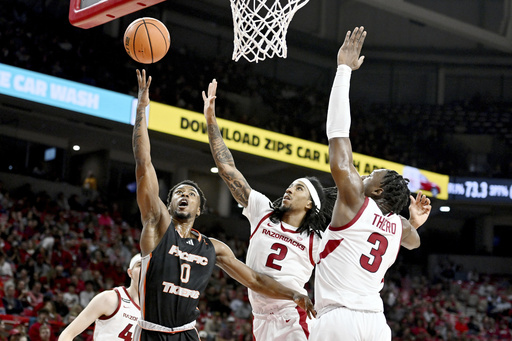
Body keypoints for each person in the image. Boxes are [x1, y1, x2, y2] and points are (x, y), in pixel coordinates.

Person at [132, 69, 315, 341]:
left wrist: (294, 294)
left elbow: (255, 280)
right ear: (168, 204)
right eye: (178, 192)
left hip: (186, 334)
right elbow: (144, 164)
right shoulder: (157, 225)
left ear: (199, 209)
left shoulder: (213, 248)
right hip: (151, 332)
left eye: (191, 194)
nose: (184, 195)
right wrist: (142, 110)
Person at [308, 26, 432, 341]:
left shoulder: (354, 204)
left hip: (339, 321)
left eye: (369, 176)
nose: (361, 176)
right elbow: (413, 241)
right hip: (376, 325)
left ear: (376, 191)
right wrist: (413, 224)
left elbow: (338, 137)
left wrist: (343, 71)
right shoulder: (398, 228)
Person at [202, 81, 336, 340]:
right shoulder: (263, 211)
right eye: (289, 186)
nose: (288, 190)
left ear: (311, 204)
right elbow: (228, 170)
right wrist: (211, 121)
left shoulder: (316, 241)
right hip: (260, 319)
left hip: (291, 316)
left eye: (298, 189)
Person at [57, 253, 142, 341]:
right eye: (140, 265)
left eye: (148, 266)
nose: (144, 269)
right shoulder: (110, 298)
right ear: (130, 272)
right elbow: (67, 334)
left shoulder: (154, 311)